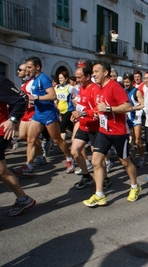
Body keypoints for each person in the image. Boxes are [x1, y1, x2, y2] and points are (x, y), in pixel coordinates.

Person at [82, 61, 140, 207]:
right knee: (96, 161)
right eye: (93, 72)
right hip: (103, 131)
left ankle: (135, 186)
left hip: (119, 132)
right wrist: (95, 114)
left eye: (96, 71)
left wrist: (108, 109)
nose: (93, 74)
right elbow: (98, 108)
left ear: (105, 72)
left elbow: (128, 107)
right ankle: (99, 195)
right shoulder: (98, 88)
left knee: (125, 162)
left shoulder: (114, 86)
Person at [13, 56, 75, 176]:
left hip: (48, 113)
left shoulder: (43, 78)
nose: (27, 70)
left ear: (37, 67)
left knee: (57, 139)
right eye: (26, 68)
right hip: (38, 114)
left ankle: (69, 158)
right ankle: (29, 166)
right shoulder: (34, 79)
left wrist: (36, 98)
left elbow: (53, 96)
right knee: (30, 139)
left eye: (29, 68)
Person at [0, 74, 36, 217]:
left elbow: (22, 98)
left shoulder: (0, 81)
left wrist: (12, 119)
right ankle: (23, 199)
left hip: (2, 131)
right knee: (2, 171)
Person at [70, 65, 103, 189]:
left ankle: (105, 178)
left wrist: (83, 113)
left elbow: (98, 109)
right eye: (76, 77)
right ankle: (86, 176)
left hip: (95, 128)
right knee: (74, 151)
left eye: (79, 77)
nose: (77, 80)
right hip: (84, 126)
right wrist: (75, 114)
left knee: (97, 158)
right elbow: (81, 105)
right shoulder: (81, 88)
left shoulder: (95, 89)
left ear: (88, 76)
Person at [123, 72, 146, 168]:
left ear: (132, 82)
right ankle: (133, 149)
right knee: (127, 140)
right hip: (127, 118)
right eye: (125, 82)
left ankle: (142, 158)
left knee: (137, 140)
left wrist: (133, 108)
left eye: (128, 82)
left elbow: (143, 104)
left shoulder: (137, 91)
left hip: (136, 118)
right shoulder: (123, 91)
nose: (126, 84)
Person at [55, 71, 76, 142]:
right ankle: (77, 136)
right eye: (59, 78)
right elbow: (55, 99)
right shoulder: (56, 87)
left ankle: (61, 144)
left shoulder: (70, 88)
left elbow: (78, 95)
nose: (60, 79)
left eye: (61, 78)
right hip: (60, 110)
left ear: (66, 78)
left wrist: (74, 99)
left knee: (62, 127)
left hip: (68, 110)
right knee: (70, 126)